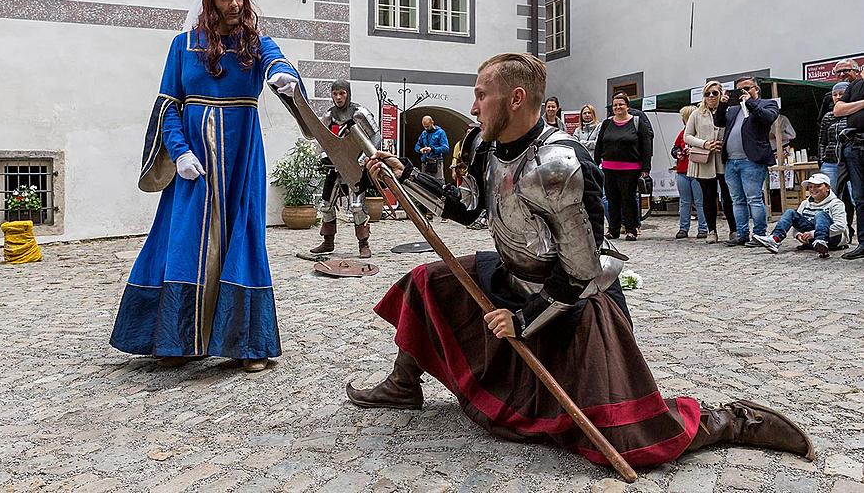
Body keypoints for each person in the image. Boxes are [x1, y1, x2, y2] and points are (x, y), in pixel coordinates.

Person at [345, 52, 813, 469]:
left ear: (516, 98)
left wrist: (523, 321)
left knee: (629, 437)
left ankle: (731, 421)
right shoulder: (486, 147)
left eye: (481, 95)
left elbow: (584, 271)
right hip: (514, 273)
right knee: (427, 282)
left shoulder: (560, 165)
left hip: (575, 298)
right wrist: (405, 177)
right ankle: (404, 382)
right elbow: (469, 208)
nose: (472, 107)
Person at [110, 0, 305, 372]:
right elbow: (168, 104)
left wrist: (284, 75)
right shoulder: (183, 45)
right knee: (184, 242)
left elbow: (277, 61)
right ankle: (177, 339)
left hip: (240, 157)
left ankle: (247, 344)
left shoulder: (257, 44)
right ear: (209, 3)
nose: (234, 4)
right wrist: (179, 152)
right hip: (195, 162)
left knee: (243, 236)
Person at [309, 79, 381, 259]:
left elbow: (376, 135)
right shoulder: (328, 116)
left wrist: (366, 157)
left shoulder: (360, 113)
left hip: (355, 168)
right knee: (325, 206)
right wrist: (323, 156)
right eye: (335, 94)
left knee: (357, 207)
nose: (339, 97)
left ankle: (363, 244)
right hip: (335, 167)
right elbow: (321, 139)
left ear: (348, 93)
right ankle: (328, 241)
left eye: (342, 93)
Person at [714, 76, 779, 247]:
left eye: (747, 88)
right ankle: (741, 233)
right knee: (737, 200)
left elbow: (767, 118)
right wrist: (723, 104)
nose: (743, 92)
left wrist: (750, 102)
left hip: (752, 160)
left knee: (754, 198)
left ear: (756, 89)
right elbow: (719, 122)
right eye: (739, 90)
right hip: (731, 161)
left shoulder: (767, 104)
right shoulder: (734, 109)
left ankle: (759, 235)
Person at [594, 92, 652, 241]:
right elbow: (600, 144)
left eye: (621, 104)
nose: (618, 107)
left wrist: (645, 169)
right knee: (612, 199)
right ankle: (614, 229)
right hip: (608, 167)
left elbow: (646, 147)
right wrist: (595, 164)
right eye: (615, 105)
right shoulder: (607, 123)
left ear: (627, 106)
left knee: (628, 199)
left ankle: (631, 229)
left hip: (630, 169)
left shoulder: (637, 123)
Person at [685, 81, 737, 244]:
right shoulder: (697, 114)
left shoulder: (728, 111)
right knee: (708, 196)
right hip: (705, 160)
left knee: (728, 197)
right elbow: (687, 136)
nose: (712, 96)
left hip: (724, 158)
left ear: (721, 94)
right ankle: (711, 231)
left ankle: (734, 230)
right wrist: (705, 143)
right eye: (708, 94)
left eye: (715, 93)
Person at [752, 173, 848, 258]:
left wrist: (813, 234)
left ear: (827, 187)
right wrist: (798, 235)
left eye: (817, 186)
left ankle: (821, 241)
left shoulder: (836, 203)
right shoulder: (805, 203)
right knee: (790, 212)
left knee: (821, 215)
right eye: (810, 187)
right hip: (810, 239)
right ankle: (775, 239)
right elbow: (795, 224)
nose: (813, 189)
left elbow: (841, 226)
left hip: (832, 239)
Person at [833, 60, 864, 260]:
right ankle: (863, 243)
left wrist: (851, 108)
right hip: (855, 147)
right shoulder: (855, 86)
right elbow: (838, 110)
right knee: (860, 199)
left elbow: (845, 108)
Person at [672, 105, 708, 239]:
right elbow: (674, 148)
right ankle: (683, 228)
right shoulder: (682, 133)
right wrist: (678, 153)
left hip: (698, 170)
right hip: (682, 170)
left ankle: (703, 228)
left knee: (700, 201)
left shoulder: (700, 133)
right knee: (684, 201)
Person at [819, 83, 850, 190]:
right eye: (834, 94)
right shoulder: (828, 116)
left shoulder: (855, 114)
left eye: (841, 93)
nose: (838, 97)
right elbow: (822, 141)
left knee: (856, 195)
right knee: (830, 194)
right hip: (830, 162)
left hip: (850, 161)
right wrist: (822, 160)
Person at [415, 115, 450, 185]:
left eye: (427, 126)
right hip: (425, 163)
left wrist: (432, 149)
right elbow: (416, 146)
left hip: (436, 163)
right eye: (424, 126)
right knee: (425, 184)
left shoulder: (440, 133)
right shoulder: (423, 133)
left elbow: (446, 148)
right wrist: (420, 149)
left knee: (438, 184)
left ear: (432, 122)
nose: (426, 128)